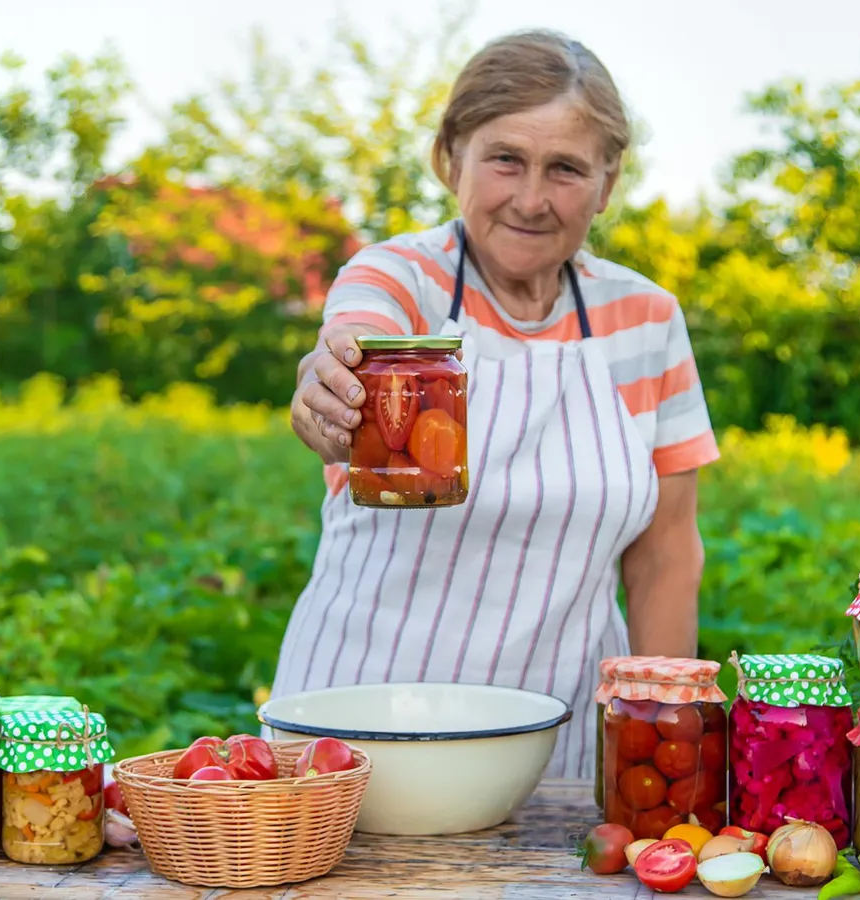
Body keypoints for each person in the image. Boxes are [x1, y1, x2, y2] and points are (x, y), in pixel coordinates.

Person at [268, 29, 720, 779]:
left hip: (557, 738)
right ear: (452, 158)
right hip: (358, 724)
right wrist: (329, 390)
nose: (532, 198)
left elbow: (666, 553)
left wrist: (664, 746)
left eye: (567, 169)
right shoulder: (399, 279)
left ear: (608, 184)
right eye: (506, 159)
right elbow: (349, 343)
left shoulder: (645, 319)